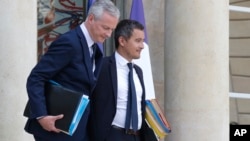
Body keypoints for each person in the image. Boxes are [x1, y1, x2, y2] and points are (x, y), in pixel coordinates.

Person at [23, 1, 120, 141]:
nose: (109, 34)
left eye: (112, 29)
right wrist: (42, 116)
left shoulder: (94, 49)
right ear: (91, 19)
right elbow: (36, 78)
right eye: (106, 28)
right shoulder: (70, 42)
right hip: (55, 129)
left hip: (78, 130)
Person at [89, 19, 149, 141]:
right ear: (122, 41)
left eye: (142, 41)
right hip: (112, 136)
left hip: (137, 136)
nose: (142, 46)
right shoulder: (102, 67)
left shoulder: (138, 71)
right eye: (138, 41)